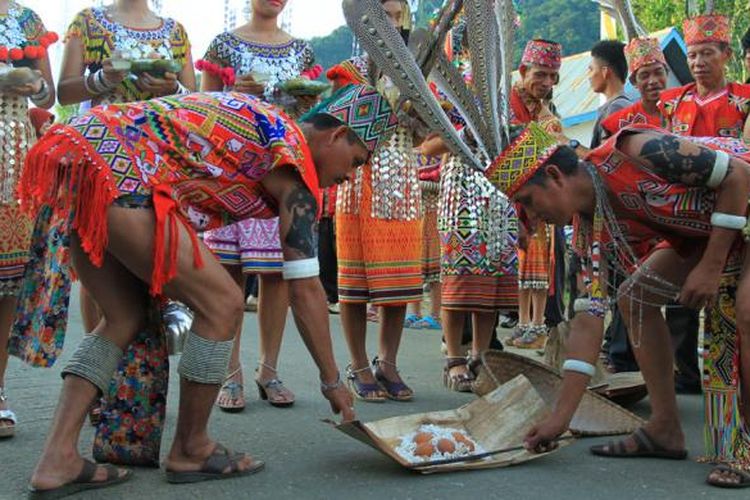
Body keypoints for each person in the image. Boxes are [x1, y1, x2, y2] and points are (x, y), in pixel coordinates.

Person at [18, 85, 396, 495]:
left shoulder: (270, 128)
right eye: (356, 162)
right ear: (336, 135)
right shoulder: (294, 163)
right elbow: (304, 289)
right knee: (223, 303)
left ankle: (58, 459)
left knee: (123, 316)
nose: (349, 177)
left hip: (78, 157)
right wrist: (332, 382)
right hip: (121, 169)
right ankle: (193, 447)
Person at [491, 119, 750, 487]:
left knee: (746, 309)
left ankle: (746, 443)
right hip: (708, 230)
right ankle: (664, 428)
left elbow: (738, 177)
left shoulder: (636, 150)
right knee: (635, 297)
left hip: (743, 200)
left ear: (554, 175)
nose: (533, 218)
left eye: (528, 202)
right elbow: (589, 319)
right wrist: (560, 419)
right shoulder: (587, 227)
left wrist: (711, 266)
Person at [50, 0, 196, 434]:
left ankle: (135, 383)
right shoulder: (88, 21)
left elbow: (192, 98)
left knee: (147, 267)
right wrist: (103, 79)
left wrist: (169, 89)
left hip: (153, 154)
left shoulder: (175, 31)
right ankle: (101, 382)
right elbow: (64, 91)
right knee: (99, 264)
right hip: (97, 154)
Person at [200, 0, 318, 412]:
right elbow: (202, 108)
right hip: (232, 162)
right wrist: (234, 96)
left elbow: (310, 110)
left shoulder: (301, 50)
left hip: (282, 163)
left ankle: (268, 369)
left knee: (277, 273)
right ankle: (228, 372)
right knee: (228, 272)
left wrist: (295, 99)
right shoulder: (222, 45)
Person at [326, 0, 421, 403]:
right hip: (358, 173)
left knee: (398, 280)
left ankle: (389, 361)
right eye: (383, 16)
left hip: (402, 175)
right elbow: (333, 125)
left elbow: (421, 136)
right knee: (355, 280)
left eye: (397, 16)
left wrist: (415, 114)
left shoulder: (417, 69)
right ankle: (359, 364)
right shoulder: (350, 71)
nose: (391, 23)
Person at [602, 37, 701, 392]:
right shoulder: (619, 120)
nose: (653, 82)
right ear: (634, 81)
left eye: (658, 73)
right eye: (644, 75)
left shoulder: (682, 112)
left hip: (676, 213)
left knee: (680, 296)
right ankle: (625, 364)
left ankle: (685, 372)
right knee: (628, 292)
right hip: (634, 217)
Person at [0, 0, 56, 440]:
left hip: (15, 156)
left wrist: (33, 84)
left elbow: (47, 94)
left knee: (8, 281)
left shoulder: (27, 20)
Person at [503, 39, 564, 350]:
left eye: (553, 76)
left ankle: (535, 324)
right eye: (541, 74)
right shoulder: (502, 103)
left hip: (536, 205)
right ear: (523, 70)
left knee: (537, 268)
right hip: (501, 201)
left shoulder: (546, 115)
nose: (547, 82)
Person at [587, 39, 632, 149]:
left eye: (591, 69)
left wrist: (568, 143)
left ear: (605, 72)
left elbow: (605, 158)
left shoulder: (616, 108)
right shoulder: (625, 105)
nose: (589, 76)